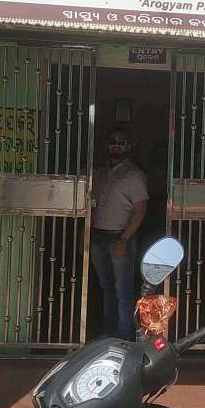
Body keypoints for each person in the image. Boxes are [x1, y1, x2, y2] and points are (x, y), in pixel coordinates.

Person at [90, 127, 148, 341]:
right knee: (106, 288)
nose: (117, 145)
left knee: (123, 291)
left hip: (120, 237)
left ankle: (124, 338)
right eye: (113, 141)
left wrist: (124, 239)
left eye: (122, 142)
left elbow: (140, 210)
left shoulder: (134, 175)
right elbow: (91, 206)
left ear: (129, 146)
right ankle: (109, 334)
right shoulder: (100, 173)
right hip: (98, 236)